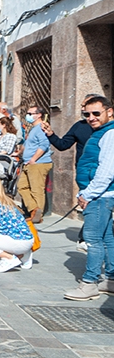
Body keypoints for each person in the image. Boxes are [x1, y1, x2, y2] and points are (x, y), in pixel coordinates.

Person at [65, 96, 114, 301]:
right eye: (87, 114)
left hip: (100, 195)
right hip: (101, 194)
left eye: (96, 113)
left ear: (109, 112)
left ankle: (89, 283)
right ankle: (110, 280)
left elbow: (106, 170)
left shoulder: (109, 134)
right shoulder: (101, 132)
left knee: (92, 240)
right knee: (107, 238)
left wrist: (87, 193)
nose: (91, 117)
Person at [43, 94, 100, 250]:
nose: (83, 109)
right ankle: (85, 238)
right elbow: (62, 145)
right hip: (85, 174)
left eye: (86, 106)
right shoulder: (78, 126)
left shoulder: (107, 128)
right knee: (90, 205)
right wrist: (50, 134)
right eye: (83, 107)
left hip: (105, 172)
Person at [19, 105, 53, 223]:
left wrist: (33, 159)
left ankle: (37, 215)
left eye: (30, 113)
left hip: (38, 163)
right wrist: (18, 153)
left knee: (36, 190)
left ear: (39, 115)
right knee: (22, 186)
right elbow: (28, 145)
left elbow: (44, 145)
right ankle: (34, 209)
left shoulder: (41, 128)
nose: (27, 115)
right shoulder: (33, 128)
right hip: (28, 163)